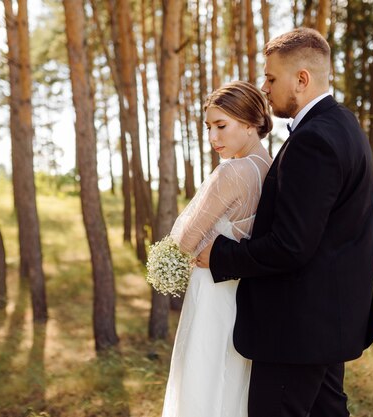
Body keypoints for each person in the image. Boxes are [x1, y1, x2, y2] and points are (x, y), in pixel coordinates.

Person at [197, 28, 373, 416]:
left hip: (297, 329)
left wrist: (221, 255)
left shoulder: (314, 140)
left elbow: (291, 245)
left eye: (270, 78)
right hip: (327, 321)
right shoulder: (344, 125)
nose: (264, 87)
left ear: (302, 79)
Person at [160, 80, 273, 417]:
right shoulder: (270, 168)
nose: (213, 138)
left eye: (222, 126)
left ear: (251, 123)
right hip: (244, 295)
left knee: (203, 377)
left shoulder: (232, 173)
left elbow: (186, 240)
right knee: (233, 381)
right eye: (209, 127)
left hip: (212, 291)